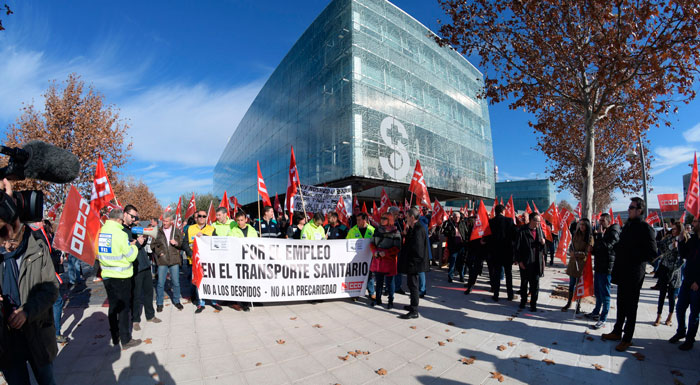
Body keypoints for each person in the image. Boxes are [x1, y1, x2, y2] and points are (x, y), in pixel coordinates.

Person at [0, 179, 60, 385]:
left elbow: (51, 289)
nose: (7, 244)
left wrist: (27, 311)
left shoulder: (36, 245)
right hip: (6, 342)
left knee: (47, 381)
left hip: (37, 334)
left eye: (11, 238)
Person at [602, 197, 657, 352]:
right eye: (629, 207)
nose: (628, 209)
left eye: (631, 207)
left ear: (639, 210)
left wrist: (631, 253)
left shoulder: (646, 228)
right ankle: (617, 331)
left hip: (634, 273)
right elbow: (623, 244)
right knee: (621, 304)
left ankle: (627, 338)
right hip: (622, 271)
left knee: (631, 307)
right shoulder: (628, 226)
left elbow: (652, 252)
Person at [96, 208, 141, 350]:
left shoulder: (101, 232)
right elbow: (131, 256)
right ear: (119, 219)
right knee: (123, 309)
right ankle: (126, 339)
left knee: (113, 307)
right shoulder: (120, 234)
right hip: (122, 277)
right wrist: (135, 246)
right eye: (122, 220)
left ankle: (115, 337)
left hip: (107, 276)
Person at [122, 205, 161, 332]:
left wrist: (144, 239)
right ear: (125, 214)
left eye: (135, 217)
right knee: (136, 295)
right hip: (134, 267)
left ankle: (150, 315)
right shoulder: (121, 230)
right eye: (132, 216)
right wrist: (136, 242)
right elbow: (126, 246)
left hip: (144, 264)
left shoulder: (134, 228)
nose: (134, 219)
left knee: (149, 292)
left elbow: (139, 244)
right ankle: (135, 320)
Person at [669, 217, 700, 350]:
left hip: (697, 284)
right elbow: (685, 255)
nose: (692, 224)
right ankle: (681, 331)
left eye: (695, 222)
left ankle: (690, 339)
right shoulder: (693, 239)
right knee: (680, 307)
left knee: (694, 313)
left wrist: (698, 281)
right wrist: (681, 241)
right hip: (687, 280)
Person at [587, 213, 620, 330]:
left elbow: (607, 247)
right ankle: (596, 312)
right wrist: (593, 249)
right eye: (599, 220)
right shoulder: (602, 232)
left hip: (607, 268)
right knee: (597, 292)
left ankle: (603, 318)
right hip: (599, 266)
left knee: (605, 293)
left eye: (602, 221)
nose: (600, 223)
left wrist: (600, 236)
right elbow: (599, 248)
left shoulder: (614, 231)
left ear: (608, 221)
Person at [397, 208, 430, 319]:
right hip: (412, 262)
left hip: (414, 263)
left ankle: (414, 310)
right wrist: (406, 233)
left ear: (411, 217)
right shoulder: (413, 228)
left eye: (407, 217)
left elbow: (418, 249)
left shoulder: (418, 229)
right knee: (411, 285)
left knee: (413, 286)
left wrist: (412, 262)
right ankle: (412, 305)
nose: (405, 218)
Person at [653, 222, 686, 327]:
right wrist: (668, 245)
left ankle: (670, 316)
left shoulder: (683, 241)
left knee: (671, 296)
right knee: (662, 293)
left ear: (680, 230)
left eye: (676, 229)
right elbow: (661, 248)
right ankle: (658, 315)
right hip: (664, 269)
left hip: (674, 272)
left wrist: (677, 247)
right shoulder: (668, 238)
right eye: (673, 229)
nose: (673, 231)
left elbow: (683, 259)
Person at [152, 213, 185, 313]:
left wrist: (176, 243)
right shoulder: (157, 231)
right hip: (162, 261)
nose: (164, 223)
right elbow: (152, 245)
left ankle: (176, 300)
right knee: (161, 283)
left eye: (166, 221)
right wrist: (159, 252)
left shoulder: (176, 231)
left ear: (171, 221)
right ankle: (159, 303)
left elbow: (182, 244)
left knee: (175, 282)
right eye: (163, 221)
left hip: (174, 260)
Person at [183, 210, 216, 313]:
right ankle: (200, 303)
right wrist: (191, 254)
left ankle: (214, 301)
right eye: (199, 216)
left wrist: (204, 237)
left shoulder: (211, 229)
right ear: (196, 218)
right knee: (198, 282)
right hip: (194, 261)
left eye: (204, 216)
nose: (201, 218)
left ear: (206, 217)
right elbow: (184, 244)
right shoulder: (190, 229)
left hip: (208, 261)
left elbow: (215, 243)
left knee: (210, 281)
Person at [515, 212, 546, 312]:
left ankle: (533, 303)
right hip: (525, 262)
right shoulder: (522, 230)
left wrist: (543, 243)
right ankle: (523, 301)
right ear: (532, 220)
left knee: (535, 285)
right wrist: (519, 261)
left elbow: (544, 250)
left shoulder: (540, 231)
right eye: (537, 221)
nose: (539, 223)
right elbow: (517, 247)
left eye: (539, 221)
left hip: (536, 262)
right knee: (524, 283)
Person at [369, 213, 401, 309]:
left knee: (390, 283)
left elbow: (397, 247)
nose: (382, 220)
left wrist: (386, 253)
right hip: (378, 261)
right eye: (381, 218)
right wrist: (375, 252)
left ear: (390, 220)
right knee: (378, 282)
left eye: (384, 219)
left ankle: (390, 301)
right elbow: (371, 243)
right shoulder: (377, 230)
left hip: (389, 262)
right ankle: (378, 299)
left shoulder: (396, 232)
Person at [562, 219, 593, 314]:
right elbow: (571, 245)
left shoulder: (590, 237)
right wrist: (571, 251)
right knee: (571, 285)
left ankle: (578, 305)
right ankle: (569, 302)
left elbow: (587, 253)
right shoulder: (576, 234)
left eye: (584, 225)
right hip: (573, 264)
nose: (582, 226)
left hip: (582, 265)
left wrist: (576, 254)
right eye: (580, 224)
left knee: (579, 286)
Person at [488, 205, 516, 301]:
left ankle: (496, 294)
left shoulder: (491, 222)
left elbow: (488, 237)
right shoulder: (509, 221)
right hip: (507, 252)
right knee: (508, 274)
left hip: (495, 252)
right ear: (503, 211)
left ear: (495, 212)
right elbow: (514, 235)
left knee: (496, 274)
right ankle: (510, 295)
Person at [347, 213, 375, 299]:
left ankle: (371, 292)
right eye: (357, 220)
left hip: (369, 257)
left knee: (369, 275)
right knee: (356, 275)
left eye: (359, 220)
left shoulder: (372, 230)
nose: (357, 222)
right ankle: (355, 293)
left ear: (365, 220)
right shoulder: (352, 230)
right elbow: (346, 242)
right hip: (356, 258)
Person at [445, 212, 468, 283]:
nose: (457, 218)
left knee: (461, 263)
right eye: (455, 217)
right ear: (453, 217)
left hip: (461, 246)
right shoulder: (450, 224)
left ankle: (461, 277)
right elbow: (445, 233)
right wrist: (452, 231)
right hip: (453, 246)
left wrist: (465, 241)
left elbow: (466, 233)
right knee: (452, 262)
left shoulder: (462, 224)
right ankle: (450, 277)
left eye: (458, 217)